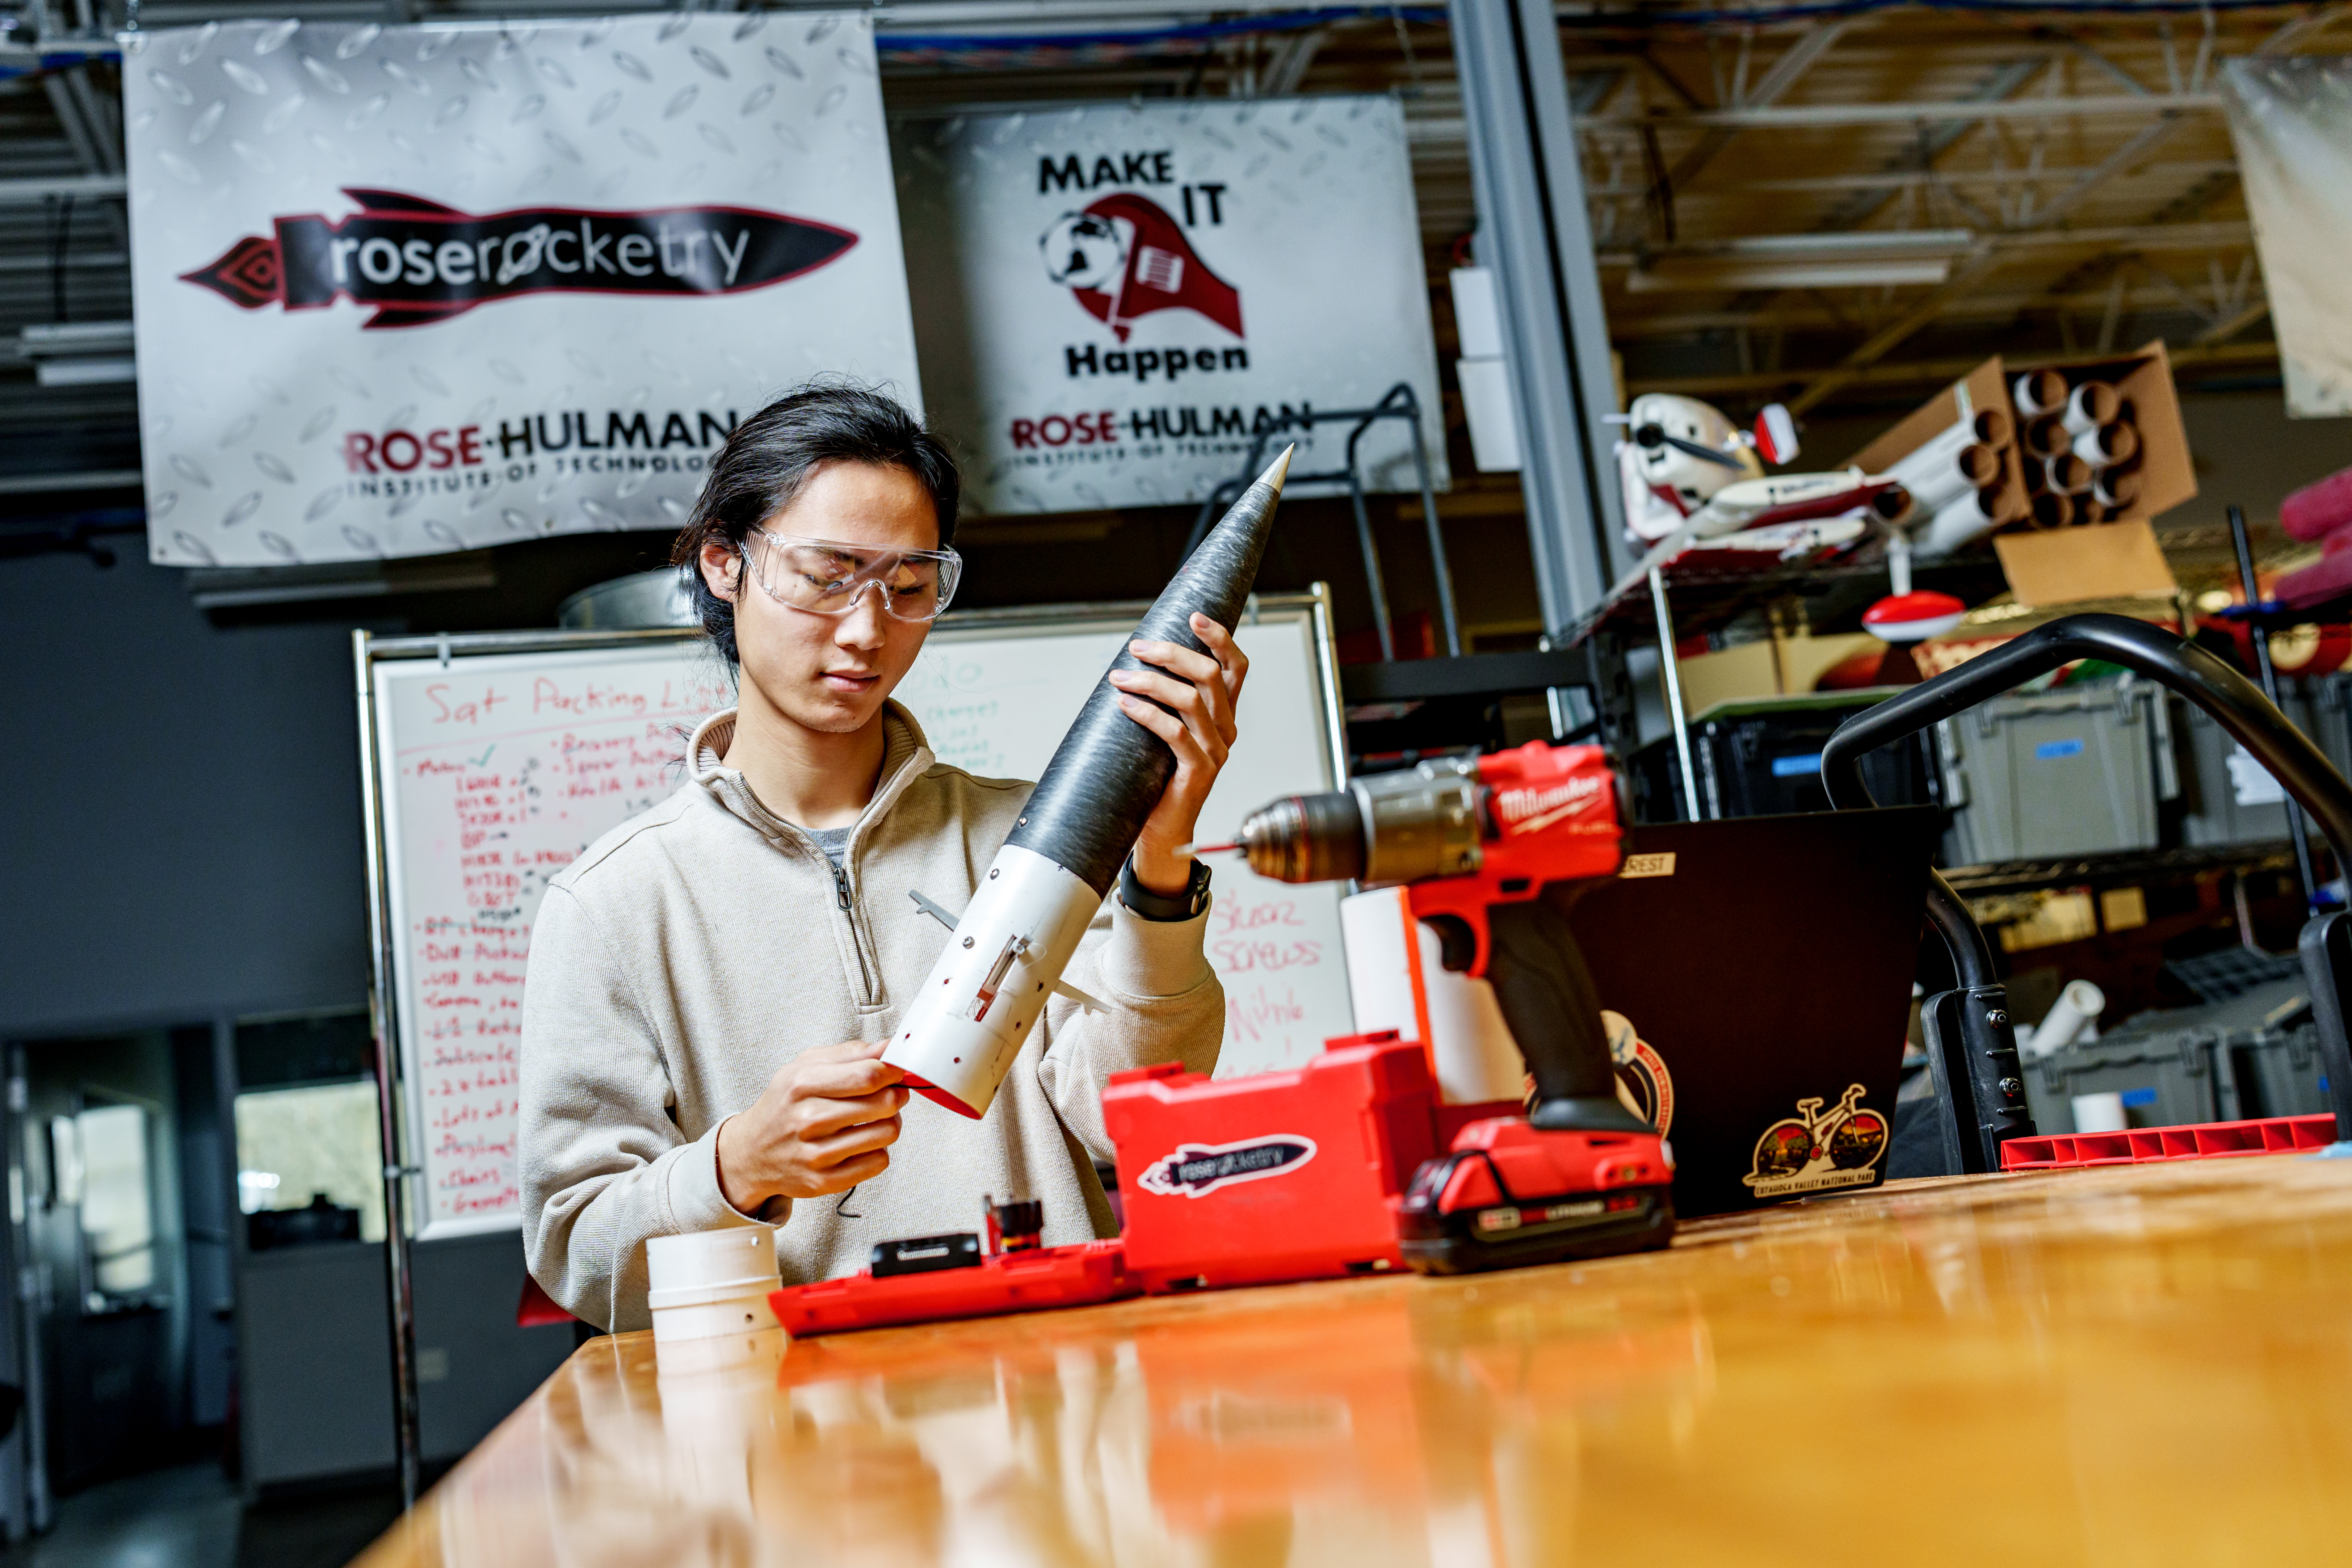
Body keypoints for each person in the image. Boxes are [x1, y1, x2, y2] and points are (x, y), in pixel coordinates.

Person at [518, 385, 1245, 1331]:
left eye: (907, 588)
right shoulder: (612, 904)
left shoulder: (1031, 835)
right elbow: (583, 1256)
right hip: (790, 1432)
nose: (868, 632)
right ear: (723, 564)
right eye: (829, 575)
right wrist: (739, 1164)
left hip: (1056, 1400)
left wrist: (1158, 857)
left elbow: (1134, 1115)